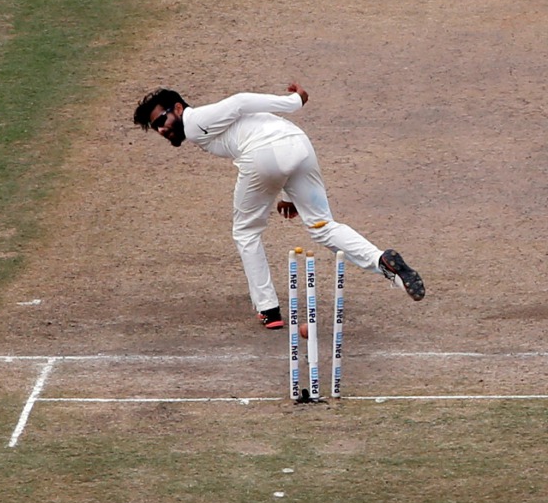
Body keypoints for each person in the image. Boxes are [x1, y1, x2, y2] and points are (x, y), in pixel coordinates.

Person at [132, 83, 424, 329]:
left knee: (245, 231)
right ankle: (383, 263)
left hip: (267, 154)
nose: (161, 130)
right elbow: (265, 137)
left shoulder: (194, 121)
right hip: (297, 147)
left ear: (178, 108)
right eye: (155, 127)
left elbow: (241, 101)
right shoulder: (204, 129)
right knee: (322, 227)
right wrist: (288, 191)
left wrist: (294, 101)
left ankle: (268, 308)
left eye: (161, 120)